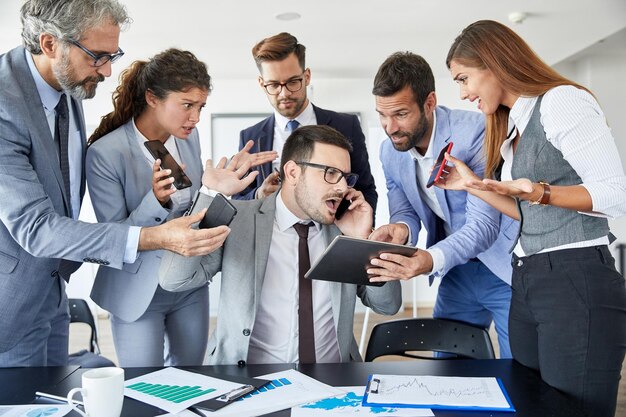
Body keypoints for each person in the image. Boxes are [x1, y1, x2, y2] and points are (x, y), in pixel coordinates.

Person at [0, 0, 229, 367]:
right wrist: (158, 235)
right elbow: (37, 228)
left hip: (55, 288)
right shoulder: (4, 102)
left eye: (113, 55)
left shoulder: (67, 93)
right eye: (97, 56)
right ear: (49, 44)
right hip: (11, 301)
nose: (107, 71)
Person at [443, 20, 626, 417]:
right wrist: (475, 186)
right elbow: (527, 209)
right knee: (530, 404)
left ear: (493, 63)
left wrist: (538, 190)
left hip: (576, 279)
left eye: (464, 78)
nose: (462, 93)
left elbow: (616, 192)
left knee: (575, 410)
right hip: (527, 279)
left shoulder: (561, 101)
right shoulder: (512, 128)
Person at [160, 125, 402, 365]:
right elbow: (174, 279)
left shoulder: (345, 228)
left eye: (345, 177)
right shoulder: (239, 220)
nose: (342, 187)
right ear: (293, 172)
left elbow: (387, 305)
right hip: (248, 380)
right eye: (330, 173)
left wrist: (363, 241)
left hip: (333, 380)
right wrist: (211, 194)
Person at [86, 49, 263, 367]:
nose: (195, 118)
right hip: (137, 292)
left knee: (192, 380)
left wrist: (218, 190)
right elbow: (112, 238)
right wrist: (155, 201)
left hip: (187, 285)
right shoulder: (105, 154)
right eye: (187, 105)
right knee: (144, 388)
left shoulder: (186, 139)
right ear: (153, 98)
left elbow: (193, 211)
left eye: (200, 106)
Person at [366, 52, 518, 358]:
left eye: (400, 114)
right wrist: (400, 228)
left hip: (504, 267)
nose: (389, 126)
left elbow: (484, 226)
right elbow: (405, 209)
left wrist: (428, 260)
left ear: (430, 102)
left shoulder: (476, 132)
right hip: (456, 270)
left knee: (520, 370)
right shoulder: (390, 151)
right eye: (382, 115)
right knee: (447, 367)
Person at [232, 32, 377, 214]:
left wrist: (359, 233)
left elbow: (366, 190)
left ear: (307, 76)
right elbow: (238, 200)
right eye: (274, 85)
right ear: (262, 84)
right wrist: (260, 194)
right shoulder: (250, 137)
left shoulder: (347, 126)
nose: (284, 94)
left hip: (333, 234)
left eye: (293, 82)